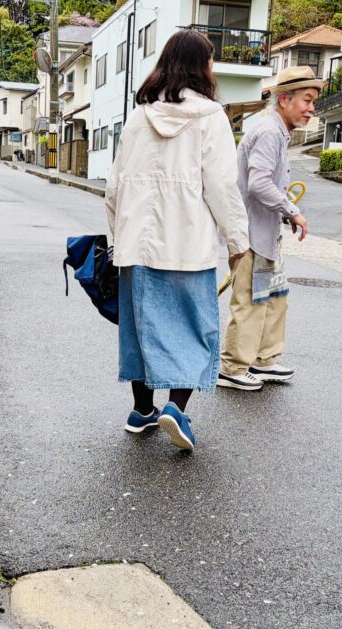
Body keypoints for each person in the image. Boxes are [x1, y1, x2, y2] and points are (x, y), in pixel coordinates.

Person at [105, 29, 249, 451]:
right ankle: (176, 409)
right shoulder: (210, 117)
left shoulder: (137, 117)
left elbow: (114, 187)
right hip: (187, 245)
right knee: (191, 327)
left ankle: (141, 410)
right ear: (201, 67)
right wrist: (237, 240)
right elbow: (222, 186)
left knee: (139, 327)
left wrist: (119, 235)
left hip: (136, 245)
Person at [218, 65, 322, 391]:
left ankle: (264, 360)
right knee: (250, 301)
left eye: (313, 102)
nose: (311, 108)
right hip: (249, 235)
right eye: (306, 100)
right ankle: (233, 367)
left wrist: (287, 216)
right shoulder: (268, 131)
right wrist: (293, 210)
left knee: (274, 297)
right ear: (284, 99)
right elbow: (259, 182)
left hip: (264, 234)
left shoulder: (277, 130)